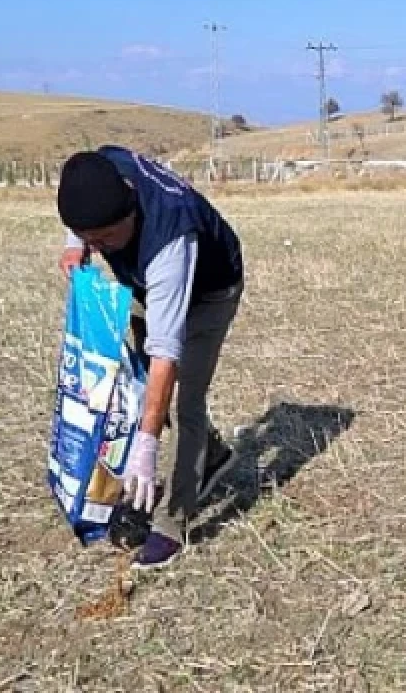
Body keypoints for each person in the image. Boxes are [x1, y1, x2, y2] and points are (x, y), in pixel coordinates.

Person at [56, 146, 245, 570]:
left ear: (131, 211)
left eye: (105, 239)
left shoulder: (170, 239)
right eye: (91, 239)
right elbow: (82, 214)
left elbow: (166, 356)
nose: (99, 249)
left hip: (210, 293)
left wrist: (147, 443)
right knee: (143, 385)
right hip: (147, 285)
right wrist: (75, 244)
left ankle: (172, 522)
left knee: (185, 402)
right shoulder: (100, 171)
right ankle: (211, 453)